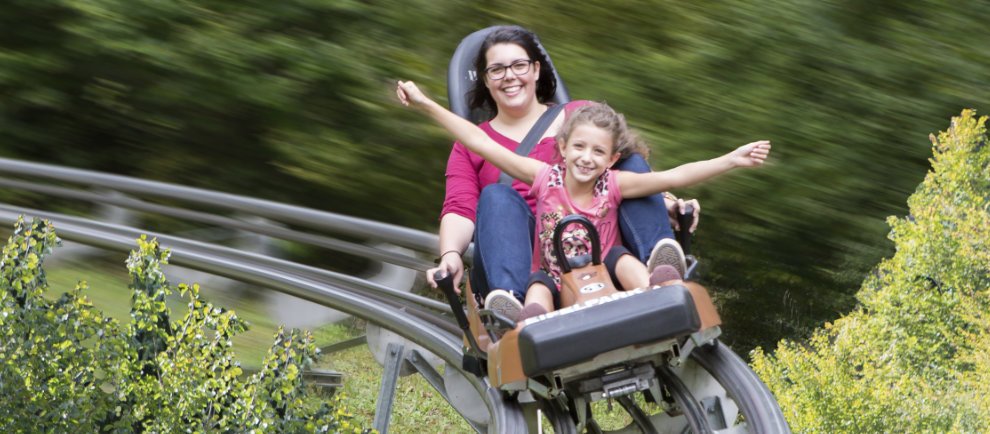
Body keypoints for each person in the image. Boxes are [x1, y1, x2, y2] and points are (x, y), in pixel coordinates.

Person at [398, 84, 771, 319]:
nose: (586, 158)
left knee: (619, 257)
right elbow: (480, 143)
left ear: (611, 159)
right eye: (578, 147)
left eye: (597, 152)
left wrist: (730, 160)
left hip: (604, 273)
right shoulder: (544, 178)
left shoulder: (615, 183)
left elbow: (675, 176)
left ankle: (656, 289)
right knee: (538, 284)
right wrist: (425, 104)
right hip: (557, 279)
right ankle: (526, 322)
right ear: (561, 149)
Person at [425, 25, 699, 319]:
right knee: (495, 196)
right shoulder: (470, 145)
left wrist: (667, 202)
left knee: (629, 159)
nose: (509, 76)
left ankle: (659, 270)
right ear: (486, 80)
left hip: (603, 243)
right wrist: (451, 255)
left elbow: (628, 175)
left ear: (536, 70)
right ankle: (513, 307)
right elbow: (460, 208)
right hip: (534, 262)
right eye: (497, 69)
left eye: (519, 65)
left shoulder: (581, 115)